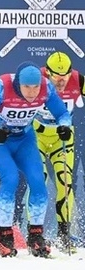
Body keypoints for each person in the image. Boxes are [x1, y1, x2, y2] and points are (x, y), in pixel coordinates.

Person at [0, 61, 71, 257]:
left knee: (38, 182)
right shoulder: (1, 86)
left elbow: (62, 113)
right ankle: (5, 236)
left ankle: (36, 236)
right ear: (18, 84)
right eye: (27, 86)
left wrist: (64, 126)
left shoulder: (46, 88)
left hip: (25, 139)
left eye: (35, 87)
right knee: (10, 179)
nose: (32, 92)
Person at [36, 51, 84, 248]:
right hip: (37, 135)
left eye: (65, 77)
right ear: (48, 72)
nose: (62, 82)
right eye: (57, 78)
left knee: (65, 182)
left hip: (63, 136)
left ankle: (64, 233)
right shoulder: (35, 79)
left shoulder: (79, 80)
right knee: (40, 180)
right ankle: (35, 233)